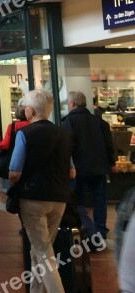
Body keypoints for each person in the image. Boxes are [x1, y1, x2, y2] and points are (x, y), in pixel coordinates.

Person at [9, 89, 73, 293]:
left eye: (25, 106)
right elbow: (72, 172)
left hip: (33, 199)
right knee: (39, 249)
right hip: (60, 199)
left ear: (30, 110)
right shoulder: (63, 134)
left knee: (44, 252)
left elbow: (14, 172)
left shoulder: (24, 134)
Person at [62, 90, 115, 245]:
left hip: (78, 168)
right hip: (99, 167)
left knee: (76, 200)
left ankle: (89, 230)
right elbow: (108, 144)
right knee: (100, 198)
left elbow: (67, 147)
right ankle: (101, 230)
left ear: (72, 104)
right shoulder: (99, 121)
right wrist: (111, 163)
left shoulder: (69, 122)